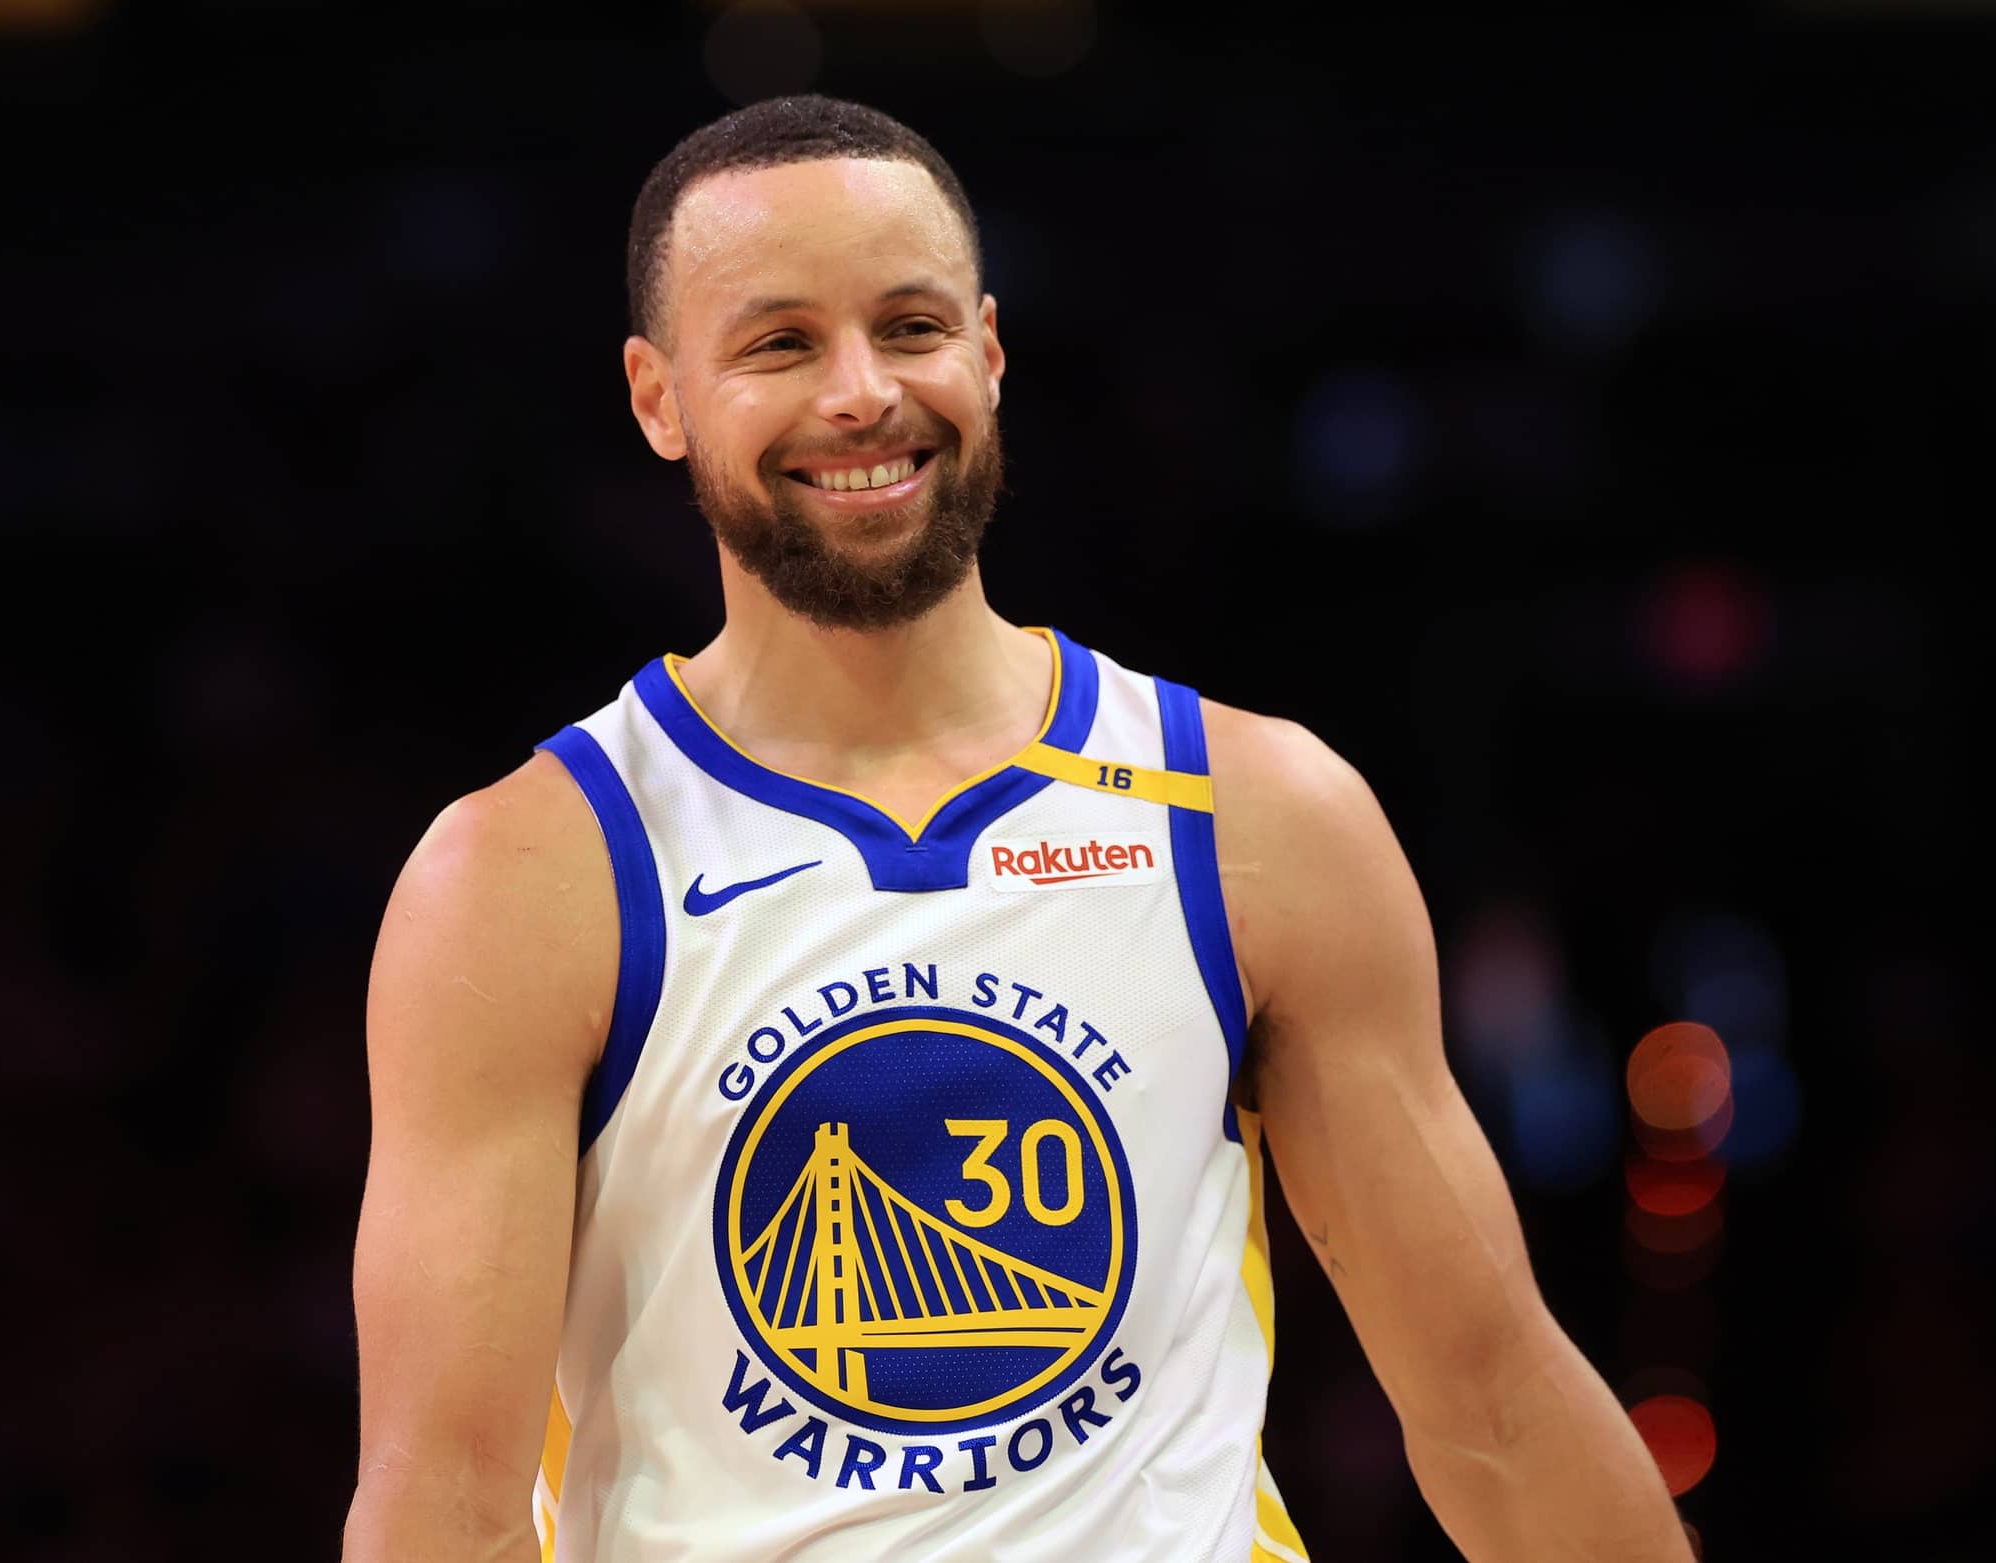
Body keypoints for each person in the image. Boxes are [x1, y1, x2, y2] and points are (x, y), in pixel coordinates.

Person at [342, 94, 1693, 1563]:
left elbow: (1492, 1401)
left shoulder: (1255, 815)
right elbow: (444, 1505)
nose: (861, 394)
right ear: (658, 398)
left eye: (910, 328)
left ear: (988, 351)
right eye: (781, 343)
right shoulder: (529, 877)